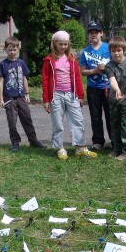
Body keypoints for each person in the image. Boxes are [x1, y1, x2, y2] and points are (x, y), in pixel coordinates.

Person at [42, 30, 96, 160]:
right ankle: (60, 148)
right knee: (58, 123)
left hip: (71, 95)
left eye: (65, 44)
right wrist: (46, 99)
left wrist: (80, 95)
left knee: (77, 120)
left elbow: (77, 77)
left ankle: (80, 147)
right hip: (56, 95)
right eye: (60, 44)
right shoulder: (48, 60)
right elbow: (45, 80)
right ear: (54, 44)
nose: (63, 47)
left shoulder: (71, 59)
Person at [0, 36, 46, 152]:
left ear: (18, 49)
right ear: (5, 49)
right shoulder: (2, 64)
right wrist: (1, 98)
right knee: (12, 121)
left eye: (14, 50)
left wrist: (27, 93)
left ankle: (33, 140)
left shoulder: (21, 63)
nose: (12, 52)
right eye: (10, 50)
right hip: (9, 98)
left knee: (27, 119)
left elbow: (24, 79)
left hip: (21, 97)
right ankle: (15, 142)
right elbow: (1, 81)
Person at [79, 22, 111, 150]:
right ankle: (98, 141)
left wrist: (106, 68)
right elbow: (82, 71)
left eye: (96, 32)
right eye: (91, 33)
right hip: (93, 88)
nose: (93, 35)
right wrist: (94, 71)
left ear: (101, 33)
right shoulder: (85, 52)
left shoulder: (108, 48)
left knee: (110, 115)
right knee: (95, 116)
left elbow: (116, 65)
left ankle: (114, 140)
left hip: (108, 87)